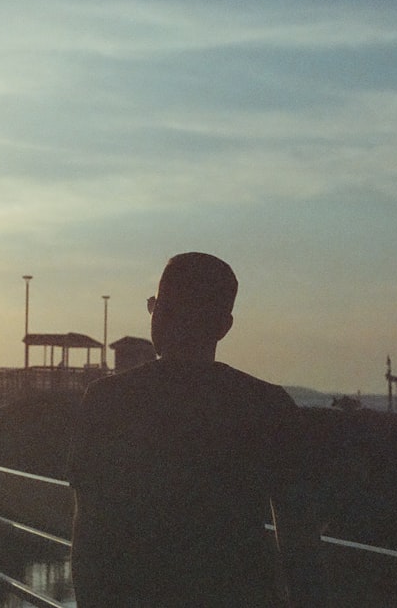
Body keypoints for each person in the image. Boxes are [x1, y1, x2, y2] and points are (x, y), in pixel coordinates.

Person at [69, 252, 328, 607]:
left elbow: (89, 542)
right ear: (224, 325)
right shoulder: (270, 406)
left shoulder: (107, 401)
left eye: (159, 307)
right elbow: (301, 545)